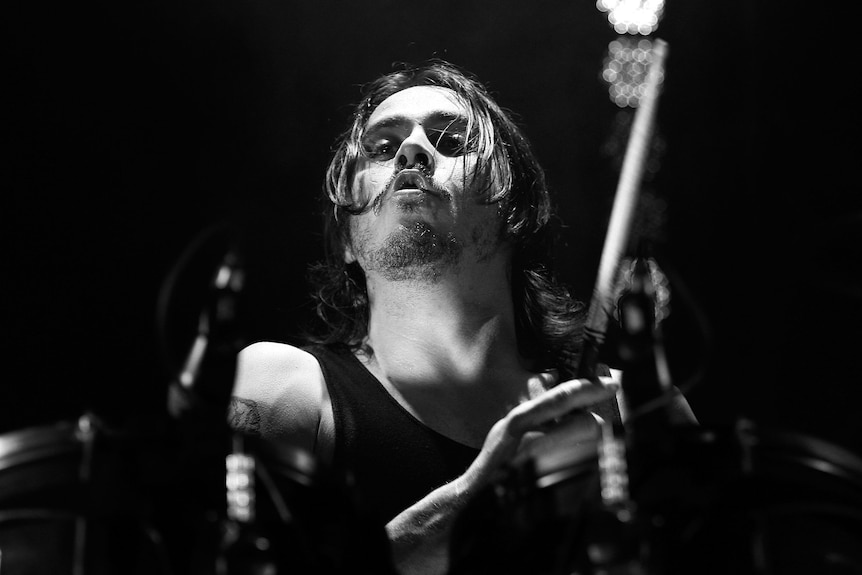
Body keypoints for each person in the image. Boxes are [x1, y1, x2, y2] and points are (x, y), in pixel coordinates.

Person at [228, 60, 694, 575]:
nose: (411, 151)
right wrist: (483, 497)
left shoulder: (632, 408)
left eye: (451, 140)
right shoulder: (282, 389)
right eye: (382, 148)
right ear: (344, 238)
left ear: (515, 211)